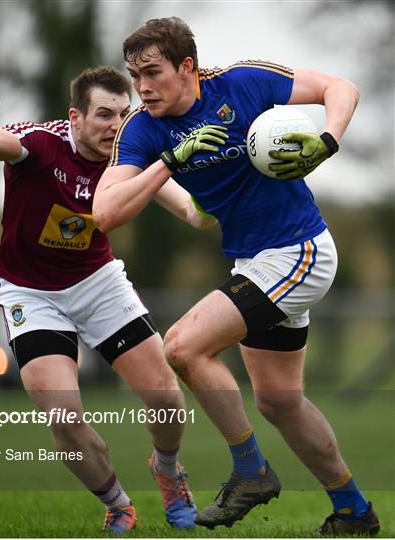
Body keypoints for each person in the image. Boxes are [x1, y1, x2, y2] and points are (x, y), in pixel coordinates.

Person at [92, 18, 380, 535]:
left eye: (153, 73)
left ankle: (250, 472)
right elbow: (106, 213)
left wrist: (327, 141)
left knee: (180, 346)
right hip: (253, 263)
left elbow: (342, 88)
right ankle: (354, 512)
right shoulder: (143, 129)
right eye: (135, 76)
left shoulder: (243, 83)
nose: (142, 87)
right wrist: (169, 161)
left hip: (300, 251)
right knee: (279, 401)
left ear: (187, 68)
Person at [0, 66, 216, 533]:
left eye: (122, 114)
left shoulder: (131, 155)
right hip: (30, 293)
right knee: (63, 415)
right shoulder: (40, 142)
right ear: (75, 117)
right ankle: (118, 504)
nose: (114, 125)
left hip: (97, 283)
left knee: (167, 400)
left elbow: (189, 212)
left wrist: (226, 197)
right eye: (103, 115)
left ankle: (168, 470)